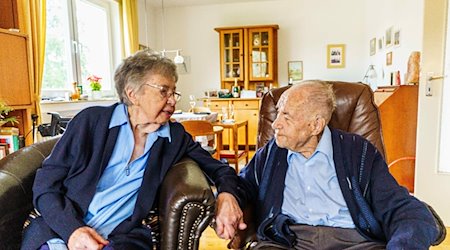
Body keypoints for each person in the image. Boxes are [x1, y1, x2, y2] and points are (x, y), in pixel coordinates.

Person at [21, 50, 245, 250]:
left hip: (118, 238)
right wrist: (73, 230)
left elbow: (220, 169)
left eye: (173, 92)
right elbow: (45, 184)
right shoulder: (91, 122)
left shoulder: (173, 137)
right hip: (64, 229)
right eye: (163, 91)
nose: (172, 101)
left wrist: (226, 196)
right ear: (132, 94)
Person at [237, 81, 440, 249]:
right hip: (289, 240)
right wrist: (227, 196)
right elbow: (241, 185)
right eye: (279, 112)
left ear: (316, 125)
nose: (275, 124)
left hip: (354, 242)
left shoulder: (358, 151)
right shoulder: (272, 152)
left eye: (286, 116)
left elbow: (399, 207)